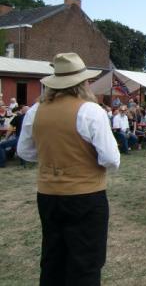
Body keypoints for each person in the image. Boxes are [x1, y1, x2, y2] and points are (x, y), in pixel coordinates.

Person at [16, 52, 120, 285]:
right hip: (86, 196)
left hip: (47, 195)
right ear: (83, 82)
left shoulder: (35, 110)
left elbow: (25, 151)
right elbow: (111, 159)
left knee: (52, 260)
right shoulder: (92, 111)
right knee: (85, 265)